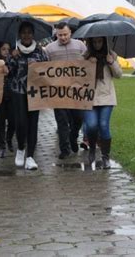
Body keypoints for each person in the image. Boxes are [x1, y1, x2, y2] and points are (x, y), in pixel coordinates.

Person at [7, 22, 48, 170]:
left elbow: (48, 72)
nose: (26, 35)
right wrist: (12, 58)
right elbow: (7, 73)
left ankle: (30, 156)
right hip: (18, 92)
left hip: (35, 93)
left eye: (29, 32)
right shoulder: (14, 51)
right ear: (19, 35)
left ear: (33, 34)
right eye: (23, 32)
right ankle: (20, 149)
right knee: (21, 123)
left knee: (33, 124)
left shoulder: (40, 52)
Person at [45, 22, 86, 159]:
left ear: (71, 33)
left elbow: (88, 65)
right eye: (60, 35)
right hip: (58, 92)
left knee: (79, 118)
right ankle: (64, 149)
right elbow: (44, 68)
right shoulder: (49, 49)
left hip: (77, 91)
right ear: (56, 34)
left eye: (65, 34)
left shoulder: (80, 46)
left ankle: (73, 136)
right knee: (62, 121)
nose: (63, 37)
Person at [83, 36, 122, 169]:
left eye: (100, 41)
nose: (97, 44)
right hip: (90, 97)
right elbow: (78, 76)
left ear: (104, 42)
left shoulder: (111, 55)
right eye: (94, 42)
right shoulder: (85, 56)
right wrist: (89, 64)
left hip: (106, 97)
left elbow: (119, 74)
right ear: (90, 43)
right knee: (91, 125)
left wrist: (111, 62)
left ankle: (106, 156)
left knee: (104, 125)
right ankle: (92, 148)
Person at [0, 42, 15, 158]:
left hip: (11, 96)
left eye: (8, 49)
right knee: (0, 122)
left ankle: (9, 139)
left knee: (13, 121)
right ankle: (2, 146)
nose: (6, 51)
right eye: (3, 49)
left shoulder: (13, 61)